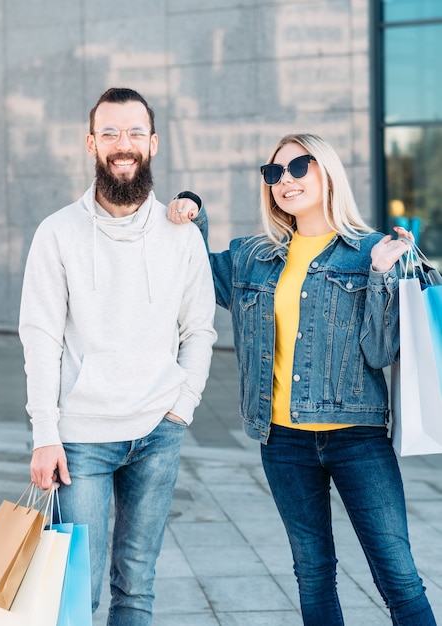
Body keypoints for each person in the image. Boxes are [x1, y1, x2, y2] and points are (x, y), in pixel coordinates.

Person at [168, 133, 436, 624]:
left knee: (397, 576)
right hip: (283, 440)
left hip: (357, 437)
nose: (285, 180)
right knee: (312, 573)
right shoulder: (252, 255)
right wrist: (193, 213)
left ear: (326, 170)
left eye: (298, 167)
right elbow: (192, 279)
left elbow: (380, 353)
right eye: (273, 173)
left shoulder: (374, 251)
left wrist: (381, 277)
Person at [19, 87, 217, 625]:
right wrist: (46, 434)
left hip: (158, 432)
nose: (121, 144)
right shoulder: (57, 233)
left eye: (133, 132)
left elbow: (199, 327)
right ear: (91, 143)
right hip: (81, 441)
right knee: (76, 596)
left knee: (136, 587)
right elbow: (40, 337)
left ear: (152, 143)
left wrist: (183, 407)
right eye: (109, 132)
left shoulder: (182, 236)